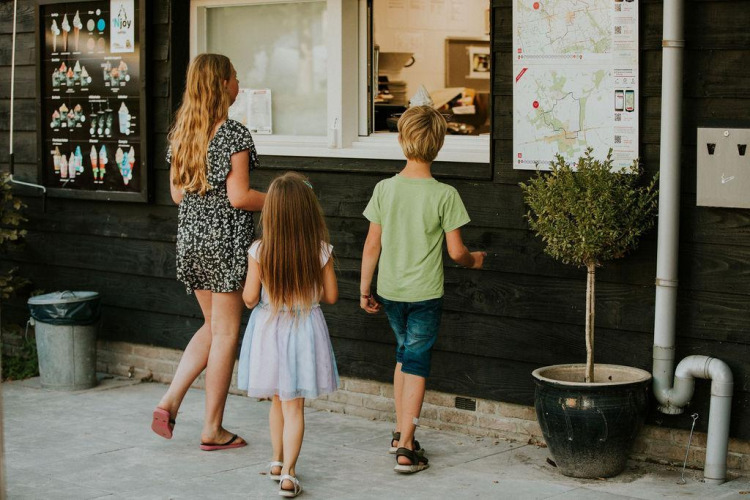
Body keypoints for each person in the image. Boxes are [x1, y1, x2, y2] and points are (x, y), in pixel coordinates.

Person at [359, 105, 486, 473]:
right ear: (440, 144)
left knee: (402, 356)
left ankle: (399, 429)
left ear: (401, 141)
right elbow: (457, 251)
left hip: (391, 291)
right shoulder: (445, 195)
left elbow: (372, 246)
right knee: (416, 363)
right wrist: (475, 260)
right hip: (425, 295)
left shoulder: (385, 189)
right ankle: (407, 446)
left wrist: (365, 289)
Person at [151, 53, 266, 451]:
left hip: (192, 242)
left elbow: (176, 194)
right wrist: (280, 201)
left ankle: (169, 401)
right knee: (226, 334)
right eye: (235, 77)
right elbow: (239, 197)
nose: (239, 82)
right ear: (221, 85)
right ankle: (212, 429)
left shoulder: (184, 131)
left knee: (212, 326)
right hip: (225, 244)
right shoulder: (234, 134)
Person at [238, 172, 339, 498]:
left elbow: (250, 298)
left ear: (272, 212)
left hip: (269, 331)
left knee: (277, 401)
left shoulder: (259, 250)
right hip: (303, 330)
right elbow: (332, 296)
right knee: (294, 405)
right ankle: (289, 472)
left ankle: (278, 461)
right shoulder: (320, 250)